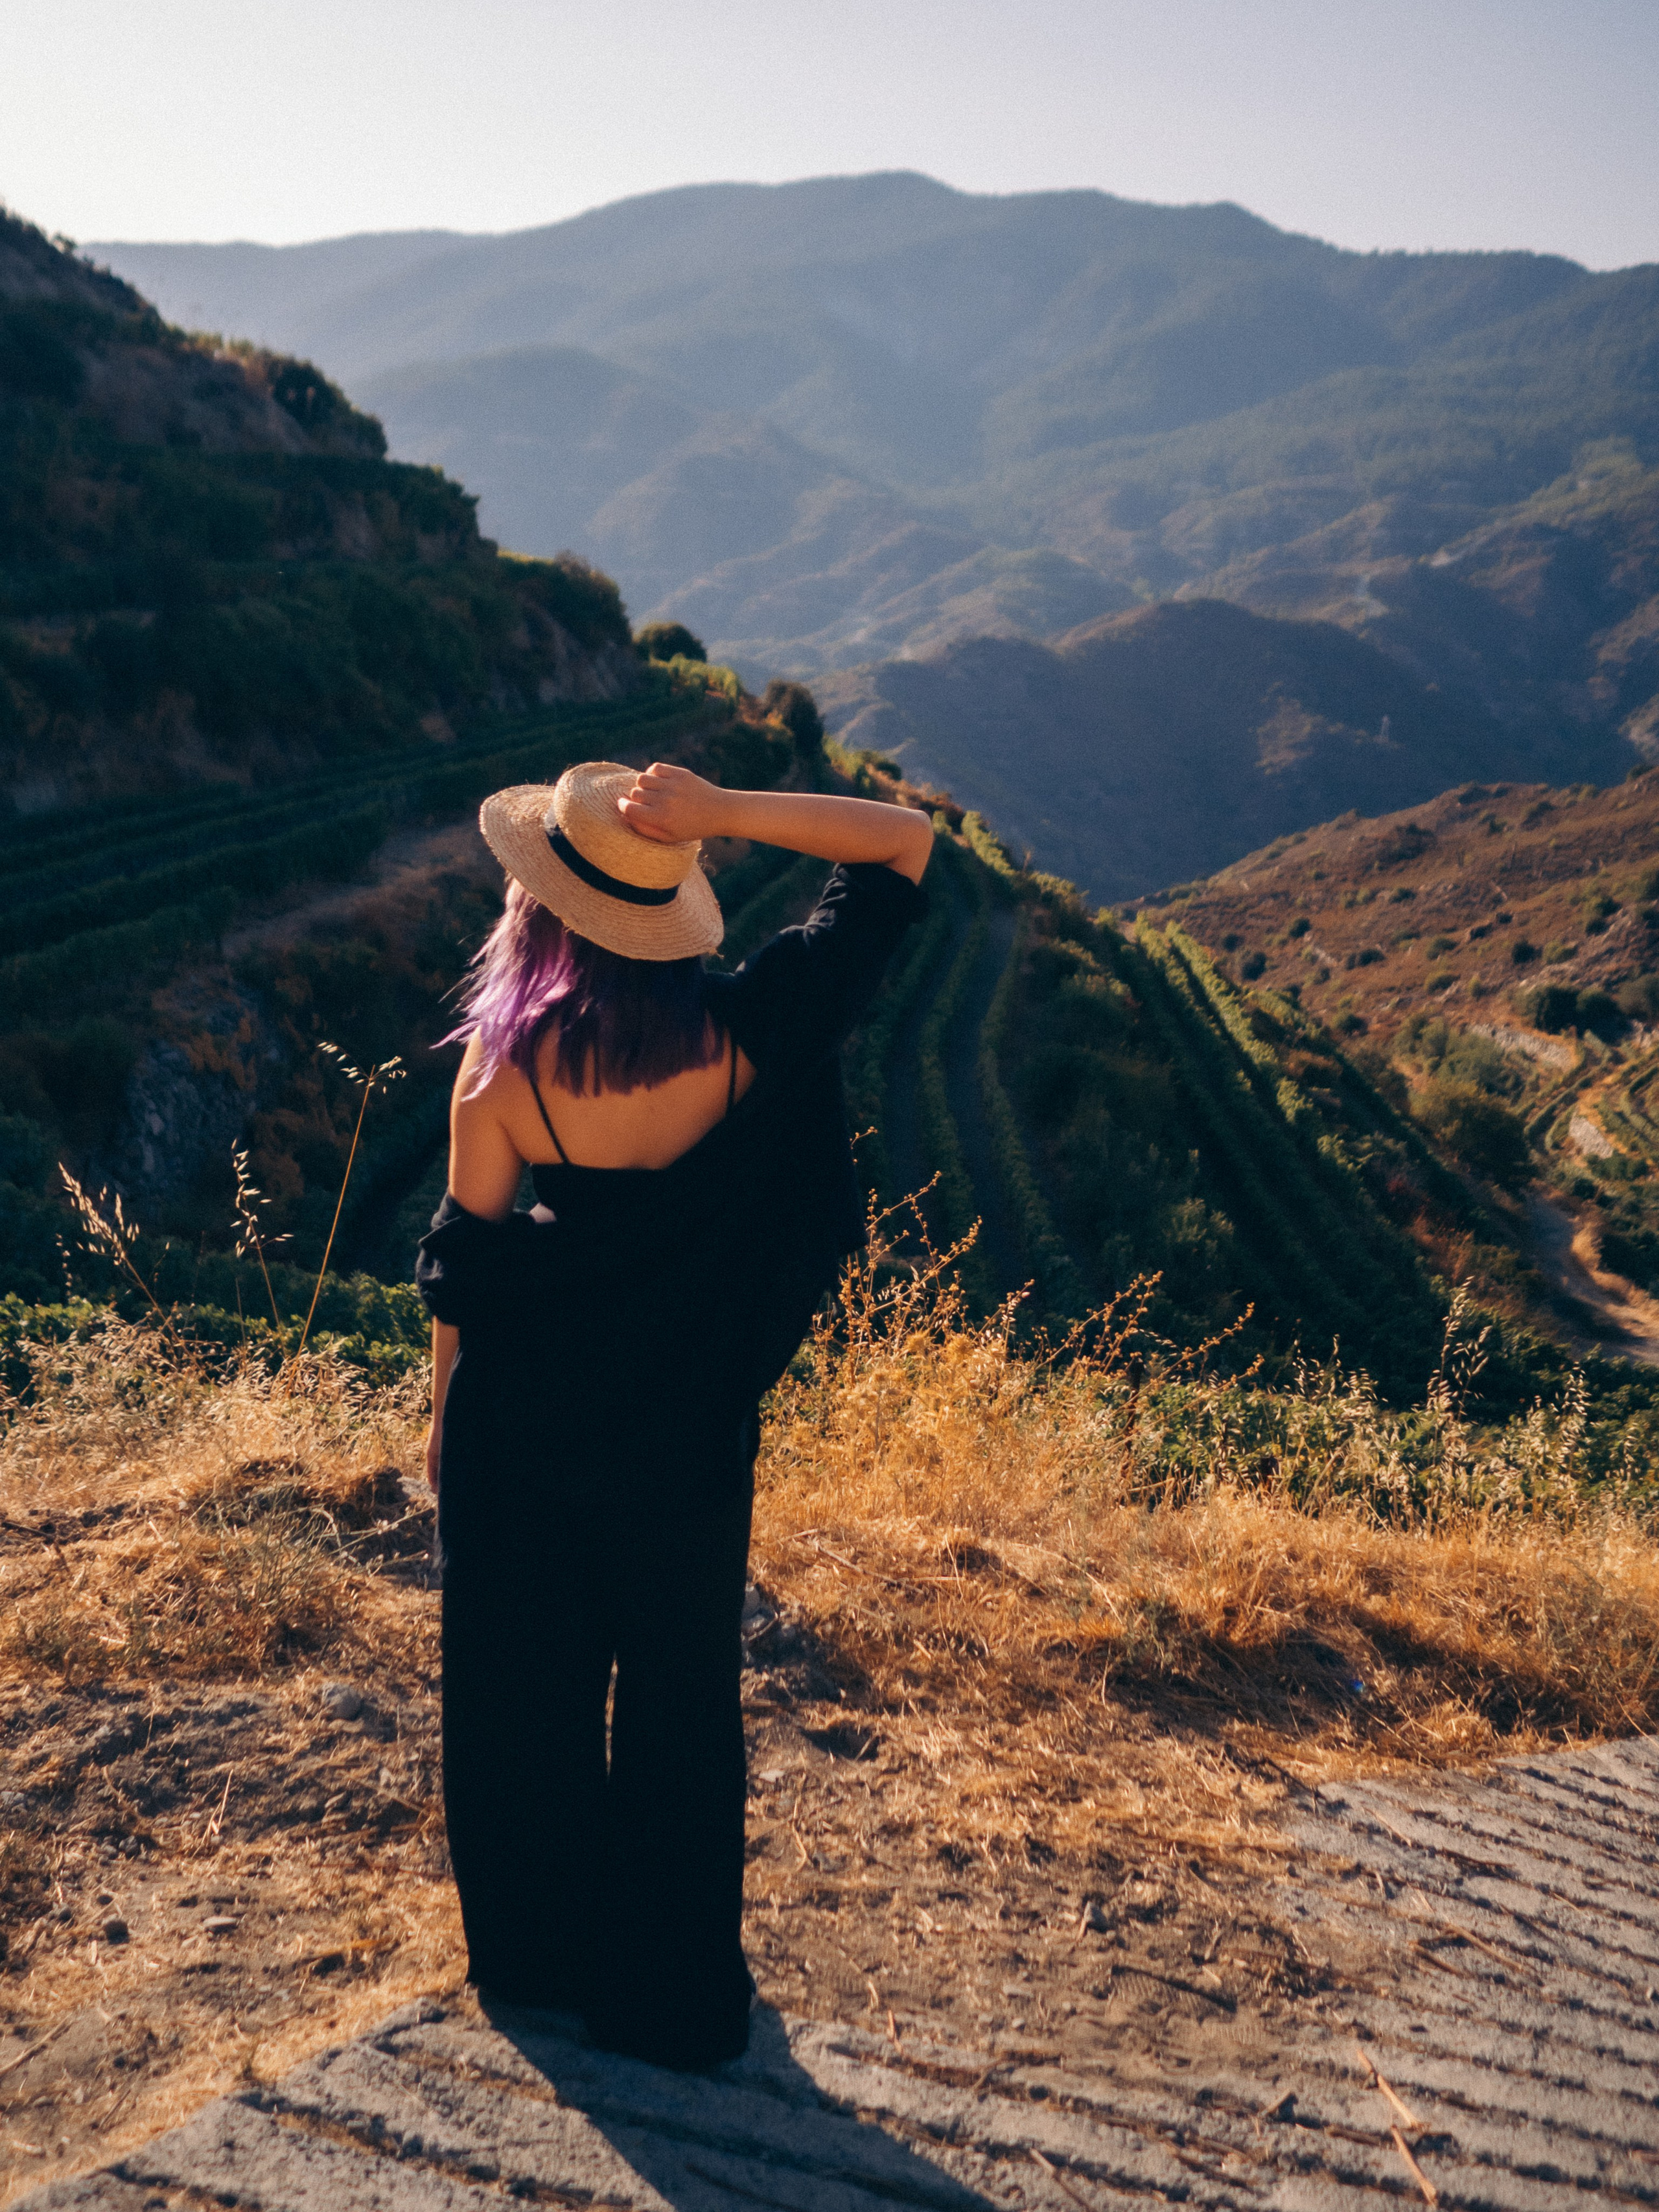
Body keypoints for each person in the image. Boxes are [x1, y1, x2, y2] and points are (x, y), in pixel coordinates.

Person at [417, 756, 931, 2069]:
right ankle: (666, 1991)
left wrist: (440, 1429)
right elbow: (900, 844)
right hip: (681, 1434)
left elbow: (463, 1273)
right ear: (669, 907)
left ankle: (535, 1962)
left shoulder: (505, 1071)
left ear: (541, 913)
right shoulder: (757, 1031)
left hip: (522, 1428)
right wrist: (718, 815)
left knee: (518, 1689)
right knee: (679, 1698)